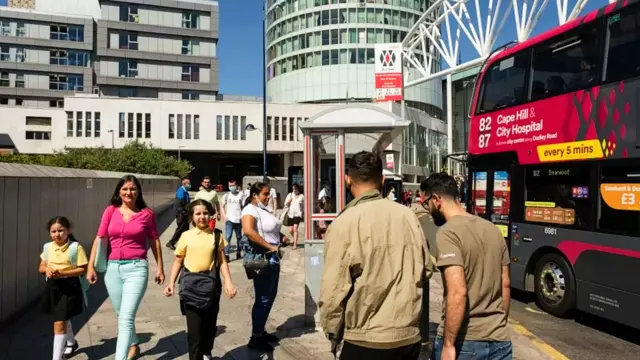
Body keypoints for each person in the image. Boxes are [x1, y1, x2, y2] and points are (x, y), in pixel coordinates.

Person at [319, 151, 429, 360]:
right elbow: (426, 269)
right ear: (382, 180)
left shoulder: (344, 223)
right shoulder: (408, 216)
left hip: (365, 339)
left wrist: (333, 333)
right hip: (408, 337)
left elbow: (332, 291)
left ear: (347, 179)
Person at [420, 172, 512, 360]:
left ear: (437, 199)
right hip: (501, 341)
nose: (427, 210)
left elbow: (458, 292)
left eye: (426, 203)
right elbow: (505, 285)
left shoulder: (448, 233)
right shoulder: (492, 229)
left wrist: (448, 344)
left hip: (466, 343)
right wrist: (498, 326)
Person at [86, 175, 165, 360]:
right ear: (119, 192)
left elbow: (154, 240)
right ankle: (134, 342)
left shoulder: (147, 214)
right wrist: (90, 267)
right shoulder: (110, 211)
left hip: (137, 268)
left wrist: (160, 267)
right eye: (125, 189)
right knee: (121, 312)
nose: (129, 192)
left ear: (138, 191)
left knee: (125, 317)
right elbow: (99, 238)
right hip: (112, 269)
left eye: (132, 189)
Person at [164, 199, 238, 360]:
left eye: (205, 213)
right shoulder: (186, 236)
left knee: (210, 327)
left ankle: (207, 352)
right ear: (192, 216)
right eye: (198, 214)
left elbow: (223, 261)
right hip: (190, 286)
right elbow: (178, 261)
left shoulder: (217, 236)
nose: (202, 217)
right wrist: (171, 283)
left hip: (212, 286)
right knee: (194, 333)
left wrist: (229, 282)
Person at [241, 182, 282, 352]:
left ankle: (261, 329)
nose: (268, 197)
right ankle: (256, 337)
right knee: (263, 298)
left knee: (270, 296)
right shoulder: (249, 210)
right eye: (265, 194)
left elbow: (269, 229)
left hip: (272, 256)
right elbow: (249, 231)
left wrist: (282, 239)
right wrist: (270, 246)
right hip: (261, 256)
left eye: (269, 194)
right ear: (255, 195)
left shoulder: (263, 210)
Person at [39, 216, 88, 360]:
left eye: (61, 230)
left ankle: (56, 358)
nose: (57, 234)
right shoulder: (48, 247)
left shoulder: (75, 247)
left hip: (70, 286)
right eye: (53, 231)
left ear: (68, 230)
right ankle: (71, 343)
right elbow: (41, 266)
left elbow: (82, 269)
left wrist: (62, 273)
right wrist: (47, 269)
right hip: (53, 286)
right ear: (49, 233)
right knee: (63, 318)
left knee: (59, 322)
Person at [221, 180, 244, 261]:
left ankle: (238, 252)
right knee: (228, 237)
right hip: (229, 220)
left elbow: (243, 206)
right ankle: (227, 254)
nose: (231, 187)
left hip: (238, 219)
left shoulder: (241, 195)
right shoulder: (226, 195)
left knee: (239, 237)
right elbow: (222, 206)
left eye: (233, 185)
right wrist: (224, 216)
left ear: (236, 185)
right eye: (230, 185)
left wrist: (242, 216)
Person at [167, 178, 192, 250]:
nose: (190, 185)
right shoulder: (181, 191)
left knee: (185, 229)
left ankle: (185, 243)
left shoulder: (185, 191)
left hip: (184, 213)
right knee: (180, 229)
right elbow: (180, 204)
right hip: (181, 214)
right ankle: (171, 242)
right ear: (184, 184)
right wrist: (184, 213)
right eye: (189, 184)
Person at [282, 183, 304, 248]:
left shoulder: (302, 196)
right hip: (290, 214)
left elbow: (304, 206)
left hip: (298, 214)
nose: (294, 190)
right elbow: (285, 204)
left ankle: (295, 244)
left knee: (295, 228)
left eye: (296, 188)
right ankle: (295, 237)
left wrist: (303, 213)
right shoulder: (290, 195)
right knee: (290, 230)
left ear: (298, 188)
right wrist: (289, 201)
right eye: (293, 188)